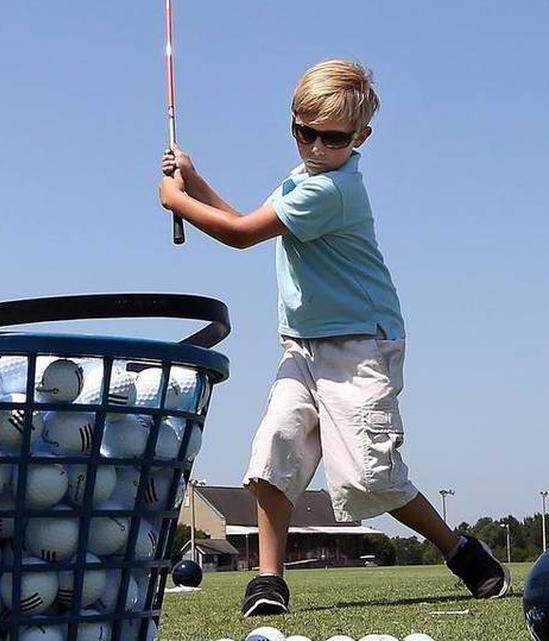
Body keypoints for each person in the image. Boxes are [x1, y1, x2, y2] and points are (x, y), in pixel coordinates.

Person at [158, 59, 510, 617]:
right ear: (293, 123)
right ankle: (269, 581)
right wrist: (194, 181)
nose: (316, 146)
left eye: (333, 138)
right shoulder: (301, 180)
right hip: (302, 346)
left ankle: (460, 550)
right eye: (304, 132)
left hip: (360, 348)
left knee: (371, 476)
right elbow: (248, 218)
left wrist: (177, 201)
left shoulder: (335, 190)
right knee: (274, 450)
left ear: (361, 137)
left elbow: (242, 236)